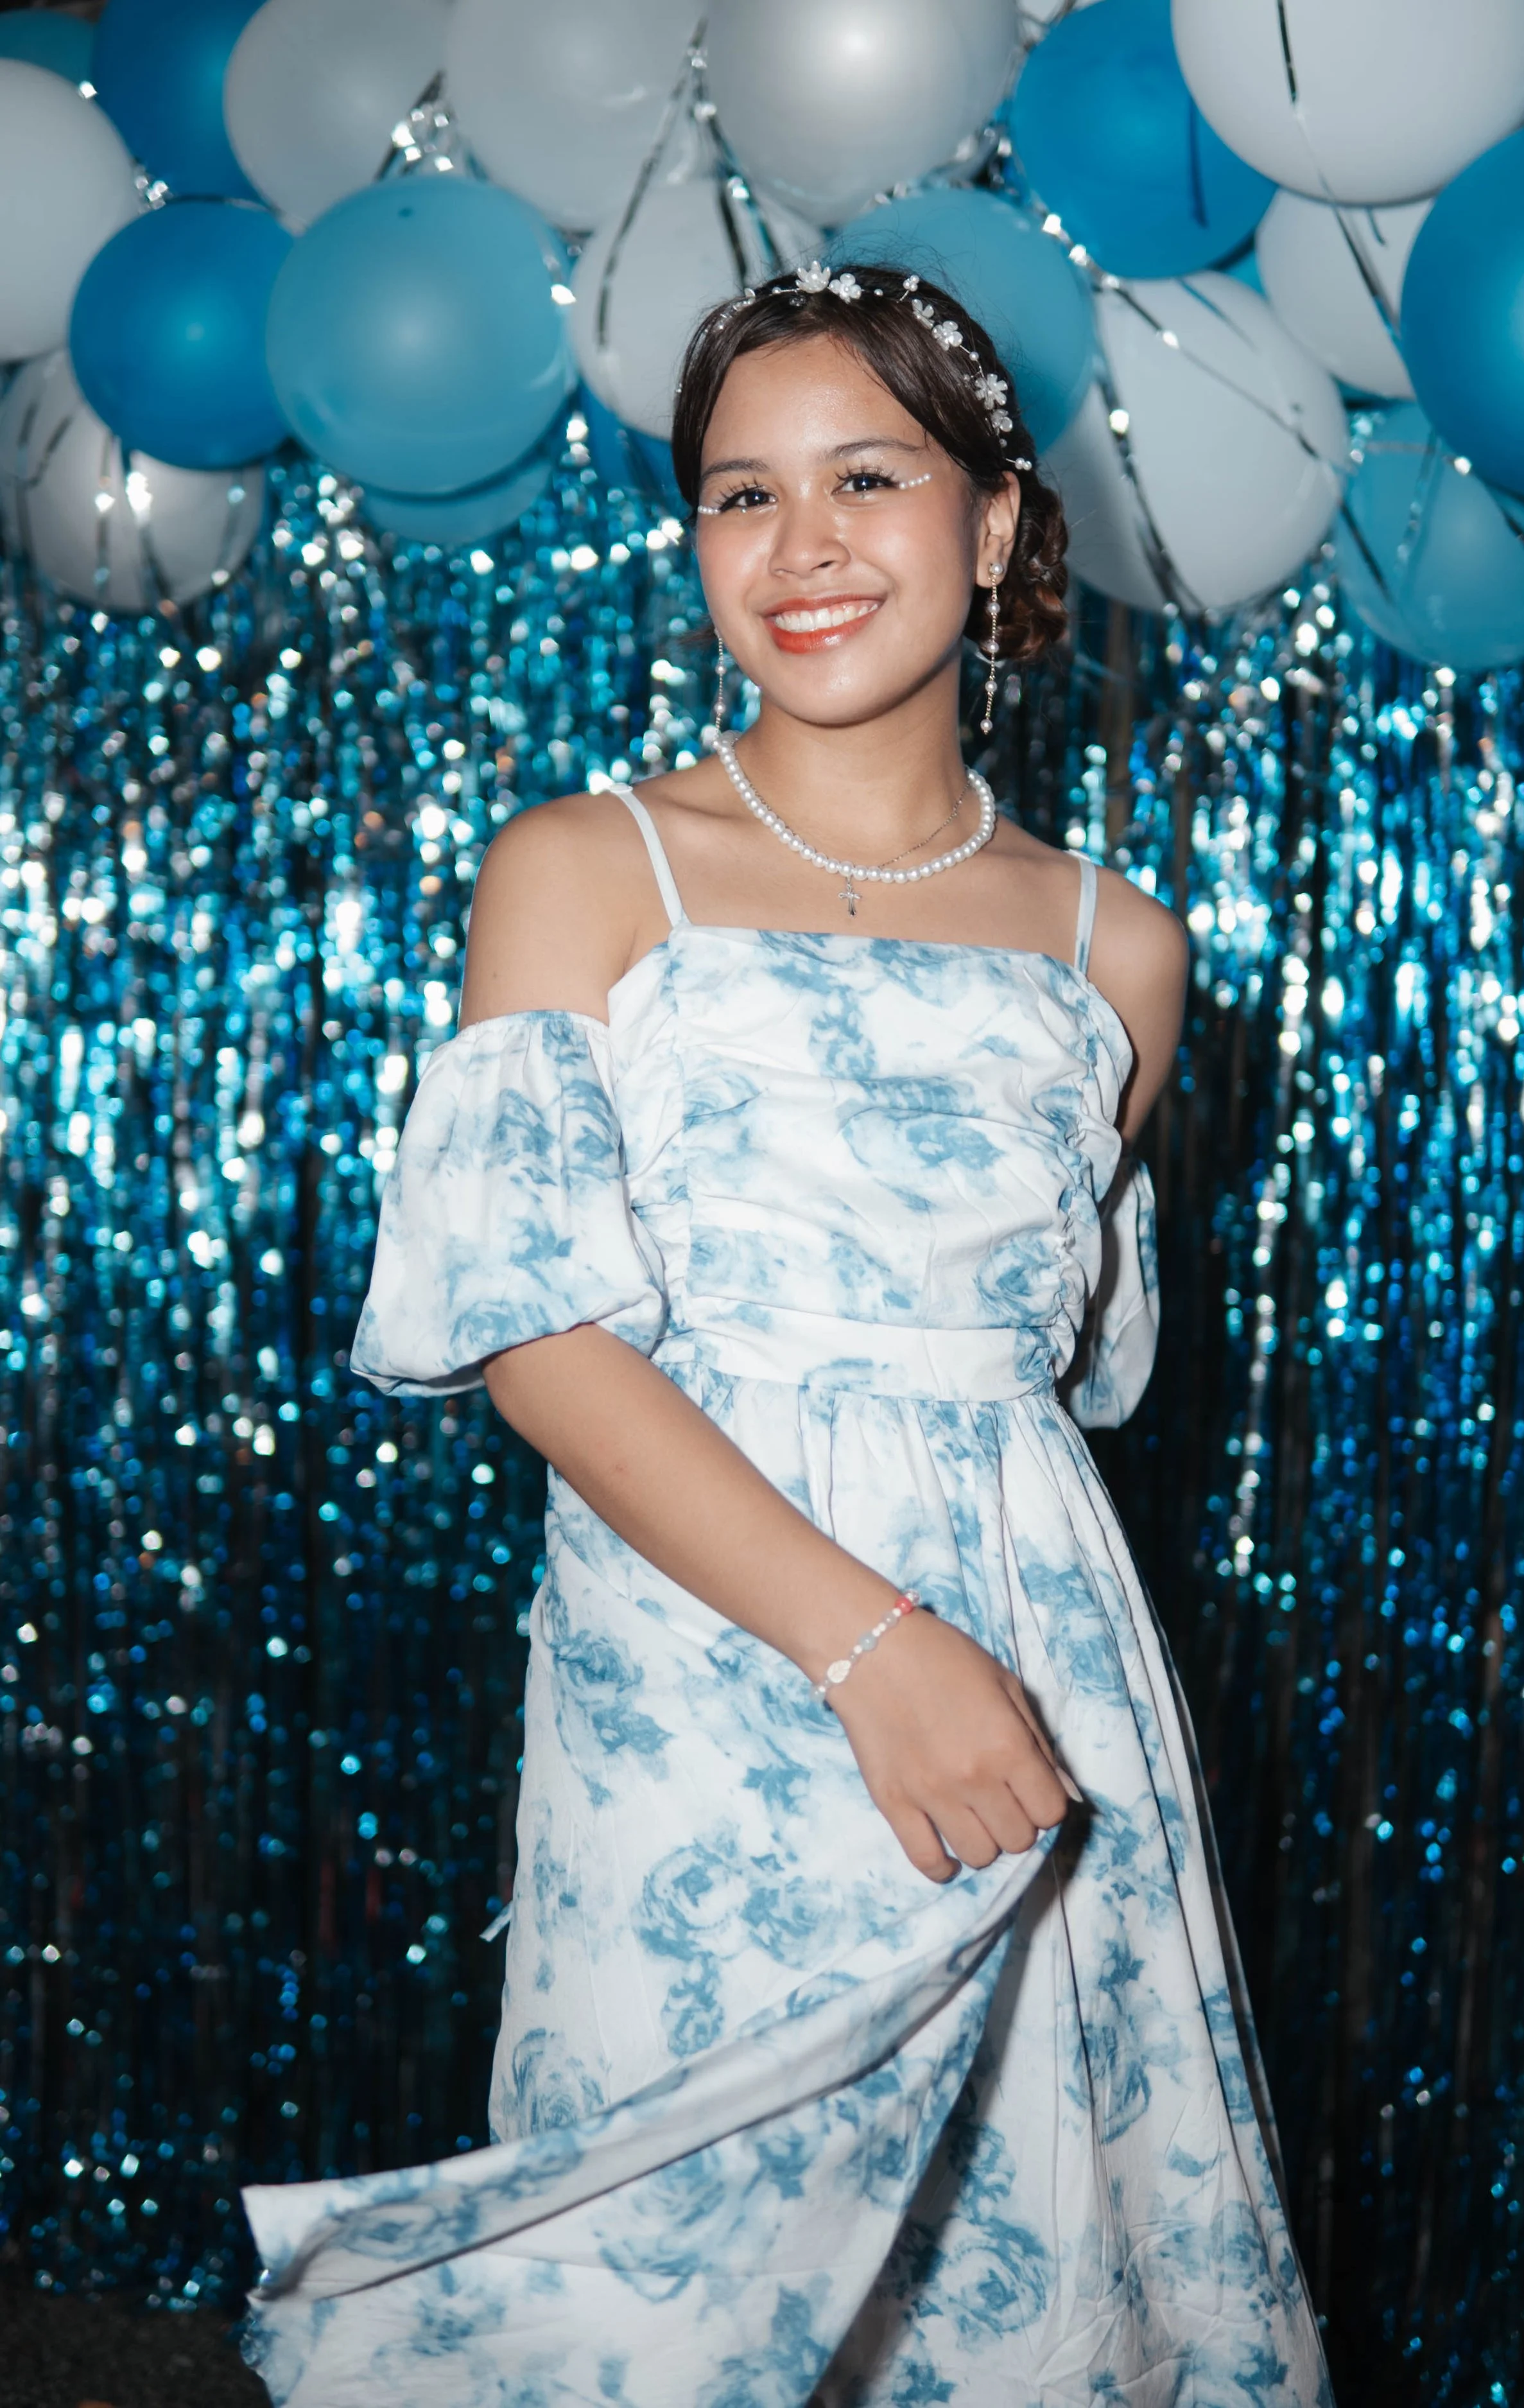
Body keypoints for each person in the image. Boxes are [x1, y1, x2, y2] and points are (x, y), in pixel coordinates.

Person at [242, 265, 1332, 2406]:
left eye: (866, 477)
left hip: (1041, 1673)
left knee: (1024, 2263)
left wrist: (964, 1661)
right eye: (740, 496)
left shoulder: (1124, 945)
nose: (802, 545)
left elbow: (1044, 1377)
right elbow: (541, 1337)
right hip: (709, 1675)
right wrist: (870, 1649)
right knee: (681, 2287)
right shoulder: (583, 866)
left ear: (998, 522)